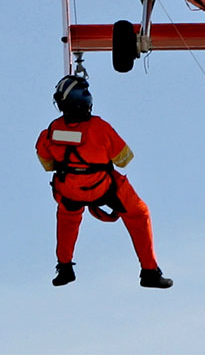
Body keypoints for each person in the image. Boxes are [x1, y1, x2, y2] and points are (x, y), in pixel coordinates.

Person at [36, 74, 173, 289]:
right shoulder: (100, 128)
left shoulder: (51, 131)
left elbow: (47, 163)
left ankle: (64, 268)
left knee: (67, 220)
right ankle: (149, 272)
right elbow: (124, 159)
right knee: (139, 214)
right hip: (103, 187)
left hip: (70, 191)